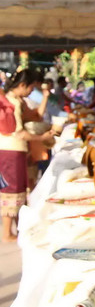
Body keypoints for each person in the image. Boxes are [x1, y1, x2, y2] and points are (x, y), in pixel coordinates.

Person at [0, 70, 54, 241]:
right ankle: (7, 232)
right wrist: (42, 137)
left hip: (14, 151)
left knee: (18, 189)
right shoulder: (12, 103)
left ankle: (16, 229)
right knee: (11, 189)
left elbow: (36, 116)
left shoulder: (17, 101)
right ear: (23, 85)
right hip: (11, 150)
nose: (32, 91)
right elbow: (20, 133)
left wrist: (45, 96)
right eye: (31, 87)